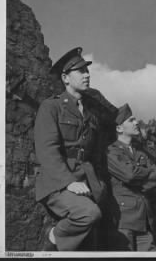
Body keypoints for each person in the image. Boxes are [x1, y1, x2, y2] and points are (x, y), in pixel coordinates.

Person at [34, 47, 114, 251]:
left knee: (92, 244)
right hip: (58, 182)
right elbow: (47, 150)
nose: (87, 75)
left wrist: (99, 184)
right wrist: (68, 182)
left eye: (87, 71)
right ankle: (53, 237)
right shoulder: (51, 107)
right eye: (80, 71)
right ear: (65, 78)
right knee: (89, 214)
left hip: (88, 181)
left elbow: (94, 153)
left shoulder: (90, 112)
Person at [107, 104, 156, 251]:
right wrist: (144, 173)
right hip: (123, 219)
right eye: (131, 120)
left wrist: (137, 179)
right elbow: (129, 175)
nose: (136, 122)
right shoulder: (111, 152)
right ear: (119, 128)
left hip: (144, 219)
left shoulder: (140, 153)